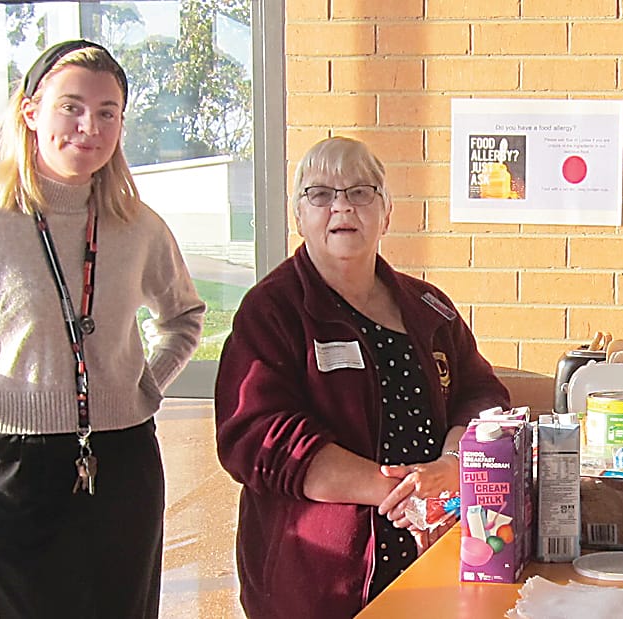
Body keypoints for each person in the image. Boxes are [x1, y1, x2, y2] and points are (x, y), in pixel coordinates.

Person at [0, 40, 205, 618]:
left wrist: (140, 386)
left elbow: (183, 317)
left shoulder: (139, 226)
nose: (90, 126)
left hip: (124, 462)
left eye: (108, 112)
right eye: (72, 107)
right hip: (11, 467)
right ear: (30, 112)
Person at [214, 136, 510, 618]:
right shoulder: (271, 311)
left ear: (386, 212)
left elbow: (480, 393)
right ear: (298, 216)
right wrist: (405, 491)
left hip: (435, 555)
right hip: (320, 581)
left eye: (359, 192)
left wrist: (455, 463)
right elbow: (258, 437)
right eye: (320, 194)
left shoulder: (428, 306)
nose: (341, 207)